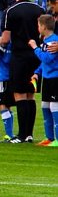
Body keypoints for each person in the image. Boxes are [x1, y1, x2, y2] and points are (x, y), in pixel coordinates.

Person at [0, 0, 44, 143]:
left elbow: (5, 38)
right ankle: (29, 134)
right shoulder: (39, 8)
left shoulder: (10, 11)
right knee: (31, 94)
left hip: (18, 56)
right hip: (36, 56)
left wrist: (0, 42)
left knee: (19, 94)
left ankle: (21, 134)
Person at [31, 14, 58, 146]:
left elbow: (47, 59)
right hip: (47, 78)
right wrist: (37, 73)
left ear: (43, 27)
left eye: (38, 25)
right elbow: (44, 63)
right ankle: (49, 138)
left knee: (54, 106)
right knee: (45, 105)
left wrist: (35, 47)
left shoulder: (54, 42)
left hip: (55, 79)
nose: (37, 28)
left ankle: (57, 139)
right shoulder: (46, 41)